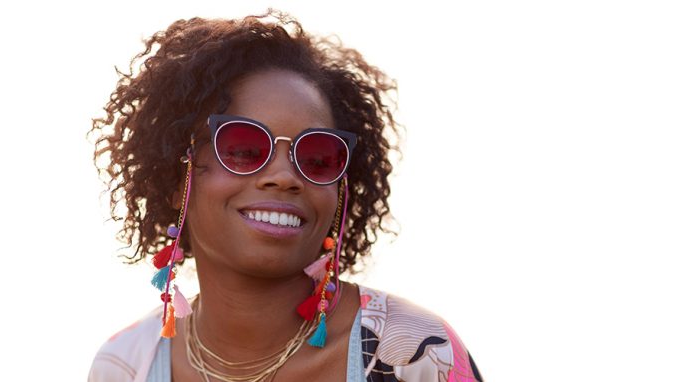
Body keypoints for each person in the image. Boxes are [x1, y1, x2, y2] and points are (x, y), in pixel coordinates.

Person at [88, 10, 483, 382]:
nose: (284, 177)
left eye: (317, 157)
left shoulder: (416, 355)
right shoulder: (125, 366)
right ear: (178, 178)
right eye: (243, 149)